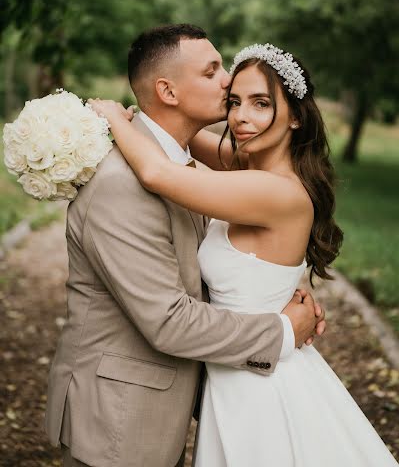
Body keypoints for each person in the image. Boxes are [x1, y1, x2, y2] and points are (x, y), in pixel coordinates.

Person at [89, 40, 398, 466]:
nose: (240, 117)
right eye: (234, 101)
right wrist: (155, 111)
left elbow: (158, 171)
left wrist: (111, 116)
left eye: (260, 103)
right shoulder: (249, 168)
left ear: (294, 117)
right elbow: (184, 138)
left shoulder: (272, 190)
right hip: (239, 368)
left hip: (261, 383)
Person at [45, 25, 325, 467]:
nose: (228, 83)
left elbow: (166, 174)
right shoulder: (127, 182)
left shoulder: (193, 169)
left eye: (260, 101)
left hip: (206, 398)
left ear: (294, 116)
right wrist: (283, 327)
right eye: (214, 72)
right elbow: (170, 320)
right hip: (121, 419)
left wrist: (275, 293)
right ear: (168, 91)